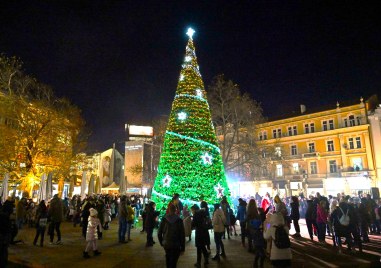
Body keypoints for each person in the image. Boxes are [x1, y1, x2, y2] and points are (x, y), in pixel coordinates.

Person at [158, 203, 185, 268]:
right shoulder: (179, 220)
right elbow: (182, 234)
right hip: (176, 244)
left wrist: (161, 242)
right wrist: (183, 247)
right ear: (175, 210)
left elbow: (159, 232)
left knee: (168, 258)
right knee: (174, 261)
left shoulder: (164, 219)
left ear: (169, 210)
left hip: (166, 243)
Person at [0, 200, 14, 268]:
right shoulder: (5, 216)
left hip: (4, 237)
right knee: (3, 253)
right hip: (4, 237)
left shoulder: (5, 215)